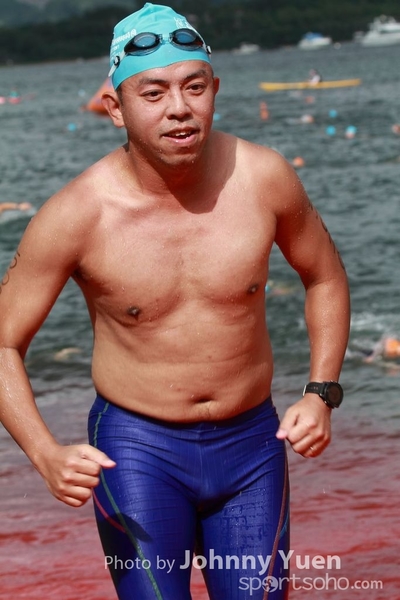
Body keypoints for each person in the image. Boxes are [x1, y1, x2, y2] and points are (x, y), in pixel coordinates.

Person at [0, 3, 350, 599]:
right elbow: (5, 342)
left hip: (253, 446)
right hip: (136, 451)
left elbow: (326, 277)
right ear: (115, 108)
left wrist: (321, 393)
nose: (179, 107)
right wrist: (44, 452)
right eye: (153, 92)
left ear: (215, 89)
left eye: (194, 86)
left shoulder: (264, 178)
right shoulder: (76, 215)